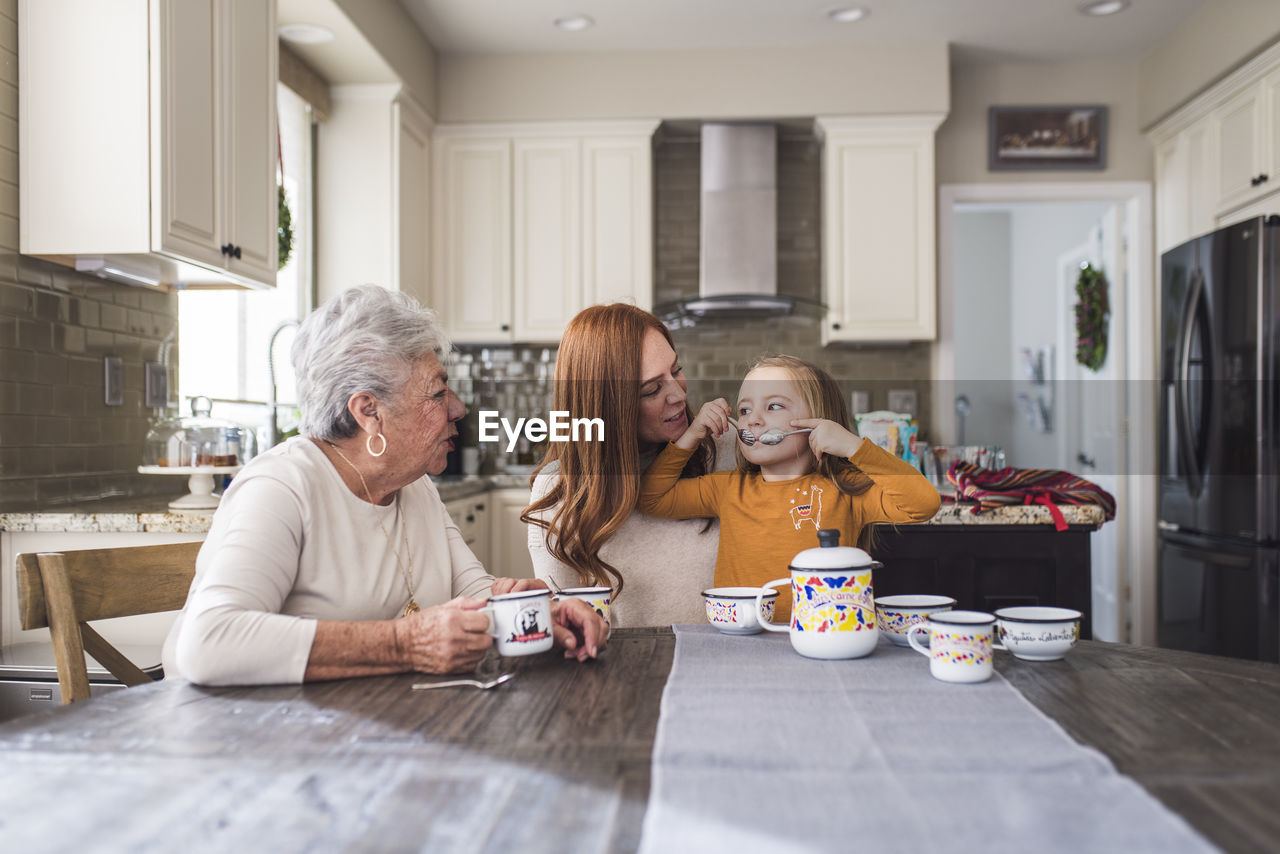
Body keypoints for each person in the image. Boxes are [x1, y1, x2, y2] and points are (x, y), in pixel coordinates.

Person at [164, 285, 606, 686]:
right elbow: (207, 642)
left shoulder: (413, 486)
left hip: (376, 735)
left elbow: (474, 592)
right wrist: (404, 643)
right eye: (437, 393)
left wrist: (539, 614)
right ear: (368, 411)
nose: (458, 408)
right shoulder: (280, 485)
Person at [637, 354, 941, 621]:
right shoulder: (728, 489)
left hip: (822, 634)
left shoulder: (845, 491)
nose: (752, 420)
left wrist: (853, 447)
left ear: (819, 420)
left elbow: (923, 503)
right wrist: (692, 435)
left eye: (773, 406)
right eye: (743, 411)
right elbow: (652, 498)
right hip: (741, 637)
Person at [523, 303, 736, 627]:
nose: (678, 394)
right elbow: (562, 629)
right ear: (607, 405)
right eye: (652, 389)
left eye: (676, 370)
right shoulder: (558, 492)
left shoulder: (724, 446)